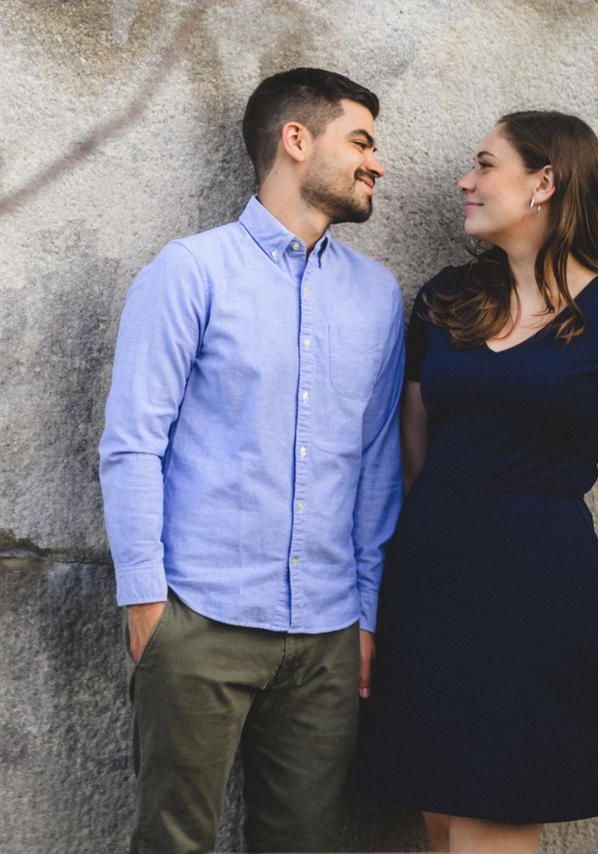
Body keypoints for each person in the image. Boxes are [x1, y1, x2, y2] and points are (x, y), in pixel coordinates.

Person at [351, 111, 598, 852]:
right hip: (431, 593)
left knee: (490, 826)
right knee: (445, 823)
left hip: (539, 602)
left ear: (544, 182)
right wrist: (378, 604)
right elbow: (412, 464)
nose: (465, 181)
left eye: (485, 165)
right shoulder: (444, 300)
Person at [98, 67, 405, 854]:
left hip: (330, 633)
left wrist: (367, 614)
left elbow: (377, 465)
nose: (376, 163)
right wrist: (146, 602)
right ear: (296, 140)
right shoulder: (190, 271)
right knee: (173, 842)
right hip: (198, 616)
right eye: (361, 142)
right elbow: (134, 442)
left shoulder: (378, 296)